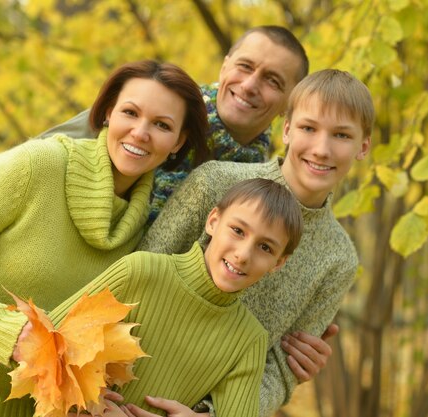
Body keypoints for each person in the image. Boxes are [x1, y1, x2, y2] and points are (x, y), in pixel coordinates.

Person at [134, 69, 375, 417]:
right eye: (309, 128)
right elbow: (142, 271)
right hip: (124, 384)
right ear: (288, 129)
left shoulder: (339, 259)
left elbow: (280, 369)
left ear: (362, 147)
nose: (321, 149)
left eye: (341, 135)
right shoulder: (215, 183)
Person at [0, 59, 209, 416]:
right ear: (108, 112)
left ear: (178, 142)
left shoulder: (147, 235)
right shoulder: (38, 165)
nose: (141, 133)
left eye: (161, 125)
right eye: (130, 112)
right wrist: (9, 331)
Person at [0, 178, 303, 417]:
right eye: (238, 230)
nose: (244, 253)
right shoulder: (141, 271)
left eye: (265, 248)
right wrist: (89, 403)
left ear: (278, 263)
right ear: (213, 221)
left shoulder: (248, 340)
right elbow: (43, 346)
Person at [38, 25, 310, 226]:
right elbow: (37, 161)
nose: (250, 85)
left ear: (289, 104)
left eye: (272, 81)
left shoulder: (259, 186)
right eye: (245, 66)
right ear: (225, 66)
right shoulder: (155, 107)